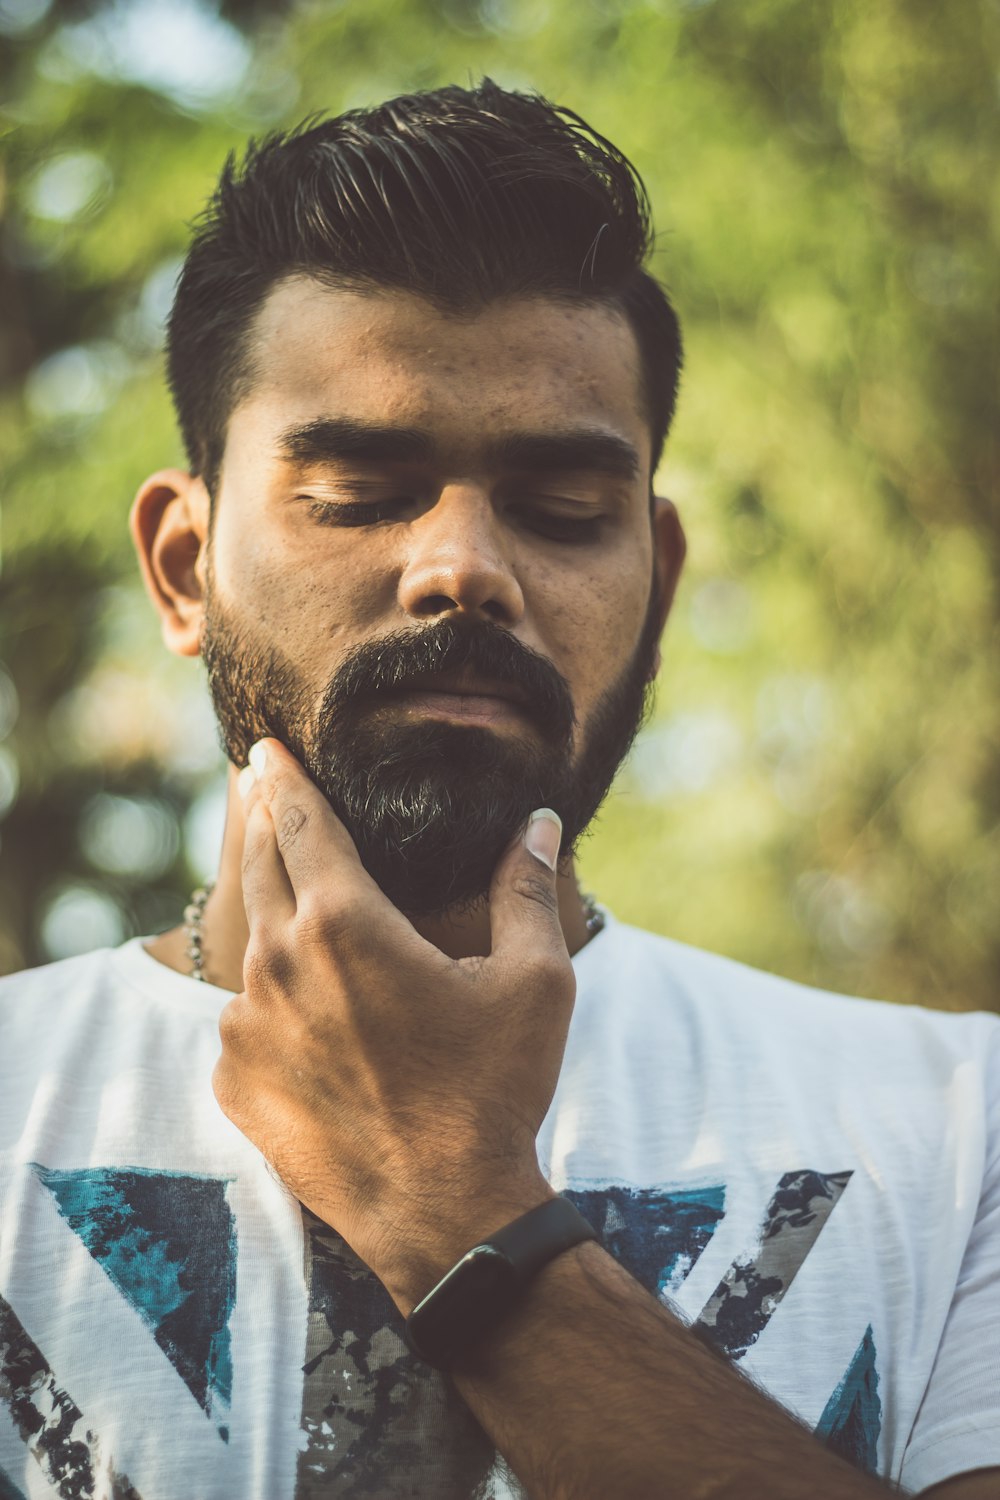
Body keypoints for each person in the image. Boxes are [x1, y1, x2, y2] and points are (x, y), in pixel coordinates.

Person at [0, 79, 996, 1500]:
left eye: (564, 510)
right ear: (181, 567)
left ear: (656, 585)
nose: (462, 564)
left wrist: (456, 1205)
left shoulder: (962, 1133)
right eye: (358, 489)